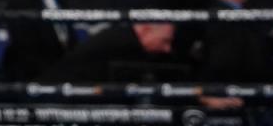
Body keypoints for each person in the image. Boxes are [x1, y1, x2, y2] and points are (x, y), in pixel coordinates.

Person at [2, 0, 75, 80]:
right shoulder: (18, 2)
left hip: (63, 73)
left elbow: (70, 36)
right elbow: (24, 49)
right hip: (33, 77)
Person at [35, 22, 175, 82]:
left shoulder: (123, 36)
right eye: (165, 41)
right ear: (145, 30)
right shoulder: (125, 45)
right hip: (59, 94)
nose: (166, 49)